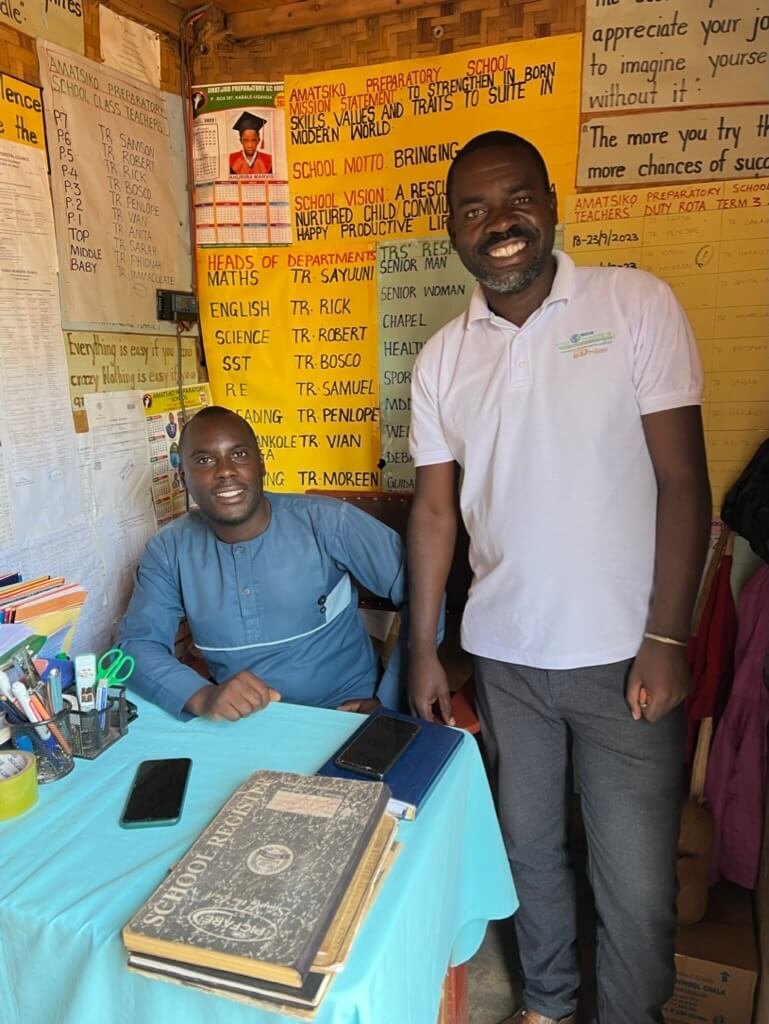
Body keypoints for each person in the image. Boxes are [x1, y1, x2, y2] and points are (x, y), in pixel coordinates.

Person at [407, 131, 711, 1024]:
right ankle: (546, 1002)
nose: (498, 223)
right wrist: (423, 648)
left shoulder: (633, 305)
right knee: (527, 850)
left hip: (626, 660)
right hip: (504, 658)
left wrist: (666, 638)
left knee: (635, 879)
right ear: (453, 230)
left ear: (549, 201)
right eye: (473, 209)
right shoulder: (441, 358)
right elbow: (432, 514)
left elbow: (682, 481)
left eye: (514, 200)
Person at [120, 406, 407, 722]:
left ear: (261, 464)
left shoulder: (327, 522)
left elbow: (423, 594)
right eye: (204, 460)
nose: (225, 470)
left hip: (345, 713)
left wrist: (388, 704)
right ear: (182, 477)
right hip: (245, 726)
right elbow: (136, 646)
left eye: (239, 454)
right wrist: (203, 696)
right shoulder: (168, 550)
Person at [229, 111, 273, 176]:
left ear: (258, 140)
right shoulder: (232, 160)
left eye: (253, 140)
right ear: (241, 141)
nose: (250, 145)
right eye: (246, 140)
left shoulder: (268, 161)